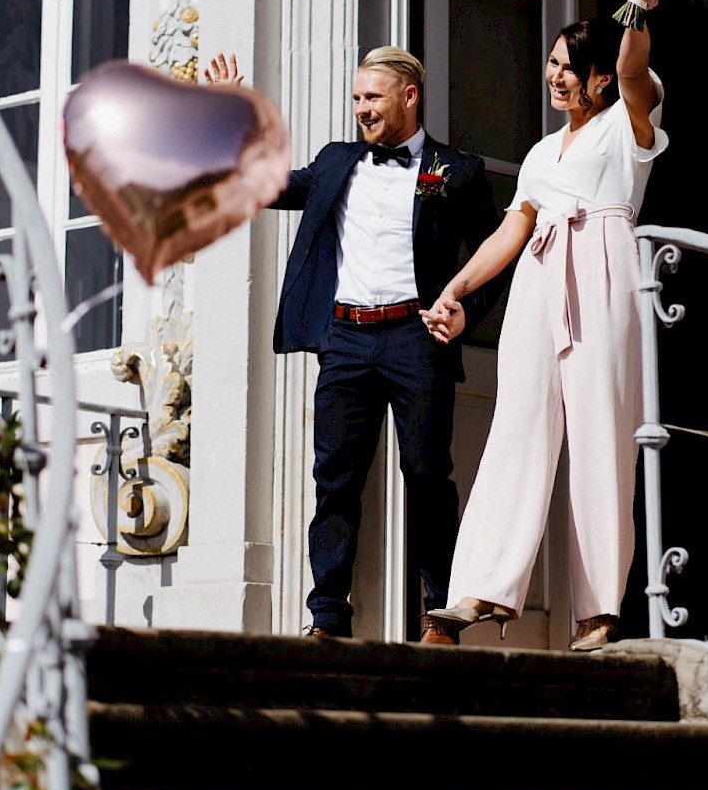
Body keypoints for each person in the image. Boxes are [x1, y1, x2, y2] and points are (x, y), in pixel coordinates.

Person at [206, 46, 504, 643]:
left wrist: (465, 314)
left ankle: (441, 613)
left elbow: (499, 257)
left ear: (408, 97)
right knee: (334, 478)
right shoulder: (336, 160)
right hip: (344, 338)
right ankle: (327, 617)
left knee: (426, 476)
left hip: (415, 338)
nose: (361, 109)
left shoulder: (458, 170)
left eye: (372, 98)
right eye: (357, 99)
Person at [421, 0, 667, 651]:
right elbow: (510, 232)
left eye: (568, 67)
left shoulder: (627, 126)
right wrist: (456, 290)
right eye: (552, 63)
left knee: (600, 440)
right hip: (540, 277)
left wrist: (637, 9)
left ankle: (598, 612)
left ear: (595, 79)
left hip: (603, 276)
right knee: (517, 428)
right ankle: (479, 590)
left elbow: (633, 69)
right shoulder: (538, 153)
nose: (555, 76)